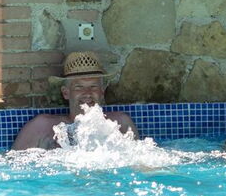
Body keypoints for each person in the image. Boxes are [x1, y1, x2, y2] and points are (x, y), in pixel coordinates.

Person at [10, 51, 139, 150]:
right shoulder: (41, 126)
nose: (87, 93)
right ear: (66, 93)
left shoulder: (120, 124)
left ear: (102, 91)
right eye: (79, 87)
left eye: (93, 86)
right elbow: (14, 165)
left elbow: (138, 163)